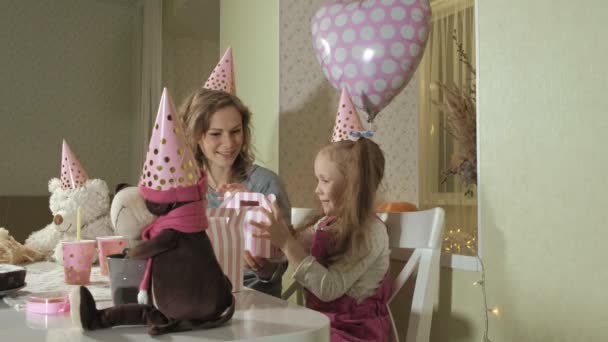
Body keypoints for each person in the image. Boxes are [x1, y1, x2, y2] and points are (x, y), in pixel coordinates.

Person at [252, 138, 391, 342]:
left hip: (355, 332)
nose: (317, 189)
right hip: (320, 324)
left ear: (354, 186)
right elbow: (284, 254)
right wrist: (270, 247)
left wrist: (287, 243)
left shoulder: (371, 233)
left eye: (324, 180)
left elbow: (329, 289)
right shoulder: (326, 224)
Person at [180, 87, 291, 298]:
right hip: (197, 296)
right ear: (196, 135)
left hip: (253, 301)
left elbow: (281, 263)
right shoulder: (183, 188)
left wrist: (263, 267)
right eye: (215, 134)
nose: (229, 143)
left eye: (235, 131)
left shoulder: (265, 185)